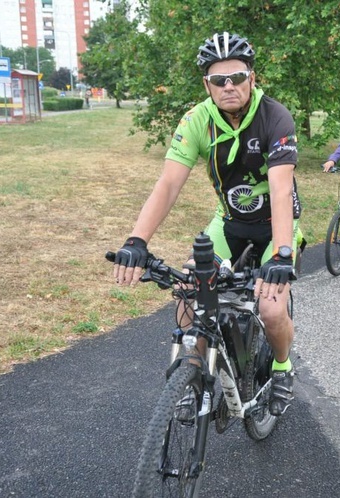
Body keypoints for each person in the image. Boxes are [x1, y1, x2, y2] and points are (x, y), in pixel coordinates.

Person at [112, 32, 301, 416]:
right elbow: (167, 184)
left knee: (270, 309)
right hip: (229, 223)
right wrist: (137, 240)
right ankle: (194, 374)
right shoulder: (197, 120)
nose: (228, 86)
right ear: (207, 85)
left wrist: (281, 254)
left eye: (237, 76)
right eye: (219, 80)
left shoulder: (275, 116)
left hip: (273, 227)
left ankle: (282, 368)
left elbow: (281, 192)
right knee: (187, 294)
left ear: (252, 77)